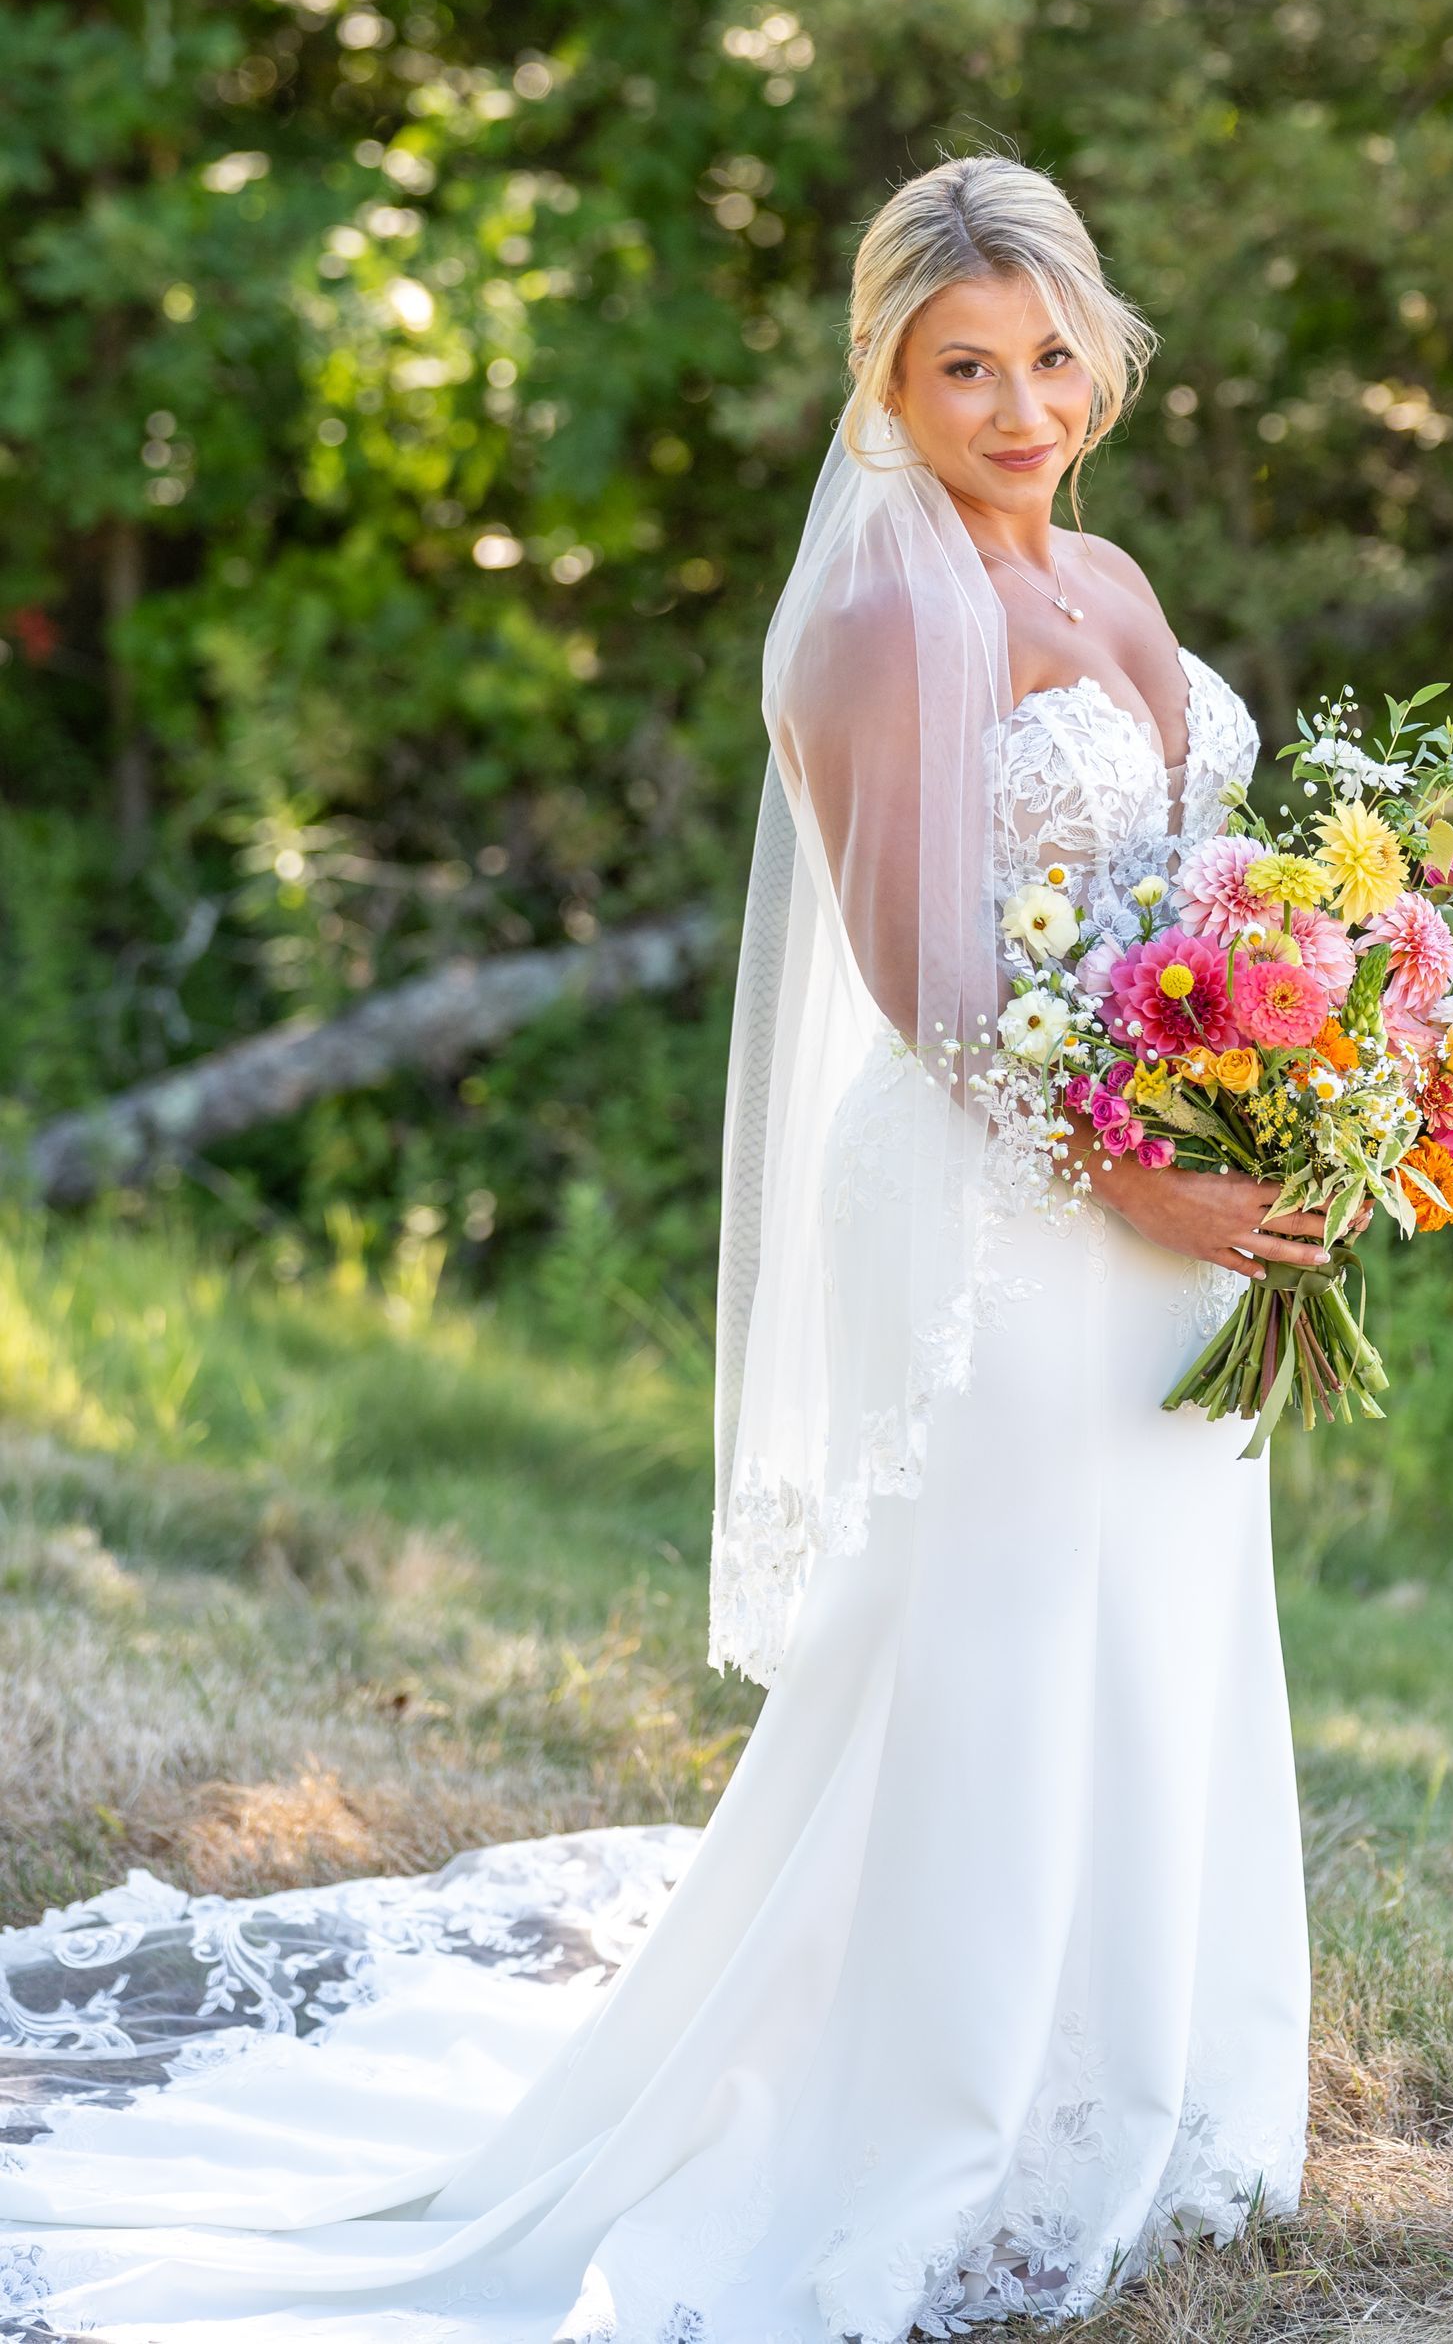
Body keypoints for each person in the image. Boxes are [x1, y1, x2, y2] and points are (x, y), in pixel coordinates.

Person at [0, 154, 1332, 2343]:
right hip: (1010, 1209)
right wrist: (1139, 1178)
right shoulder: (880, 614)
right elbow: (923, 979)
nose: (1018, 407)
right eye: (961, 368)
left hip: (1166, 1211)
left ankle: (1134, 2092)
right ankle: (933, 2130)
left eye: (1048, 357)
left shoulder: (1116, 573)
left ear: (1108, 350)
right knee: (990, 1652)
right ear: (886, 381)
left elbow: (1203, 904)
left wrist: (1318, 1075)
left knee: (1157, 1631)